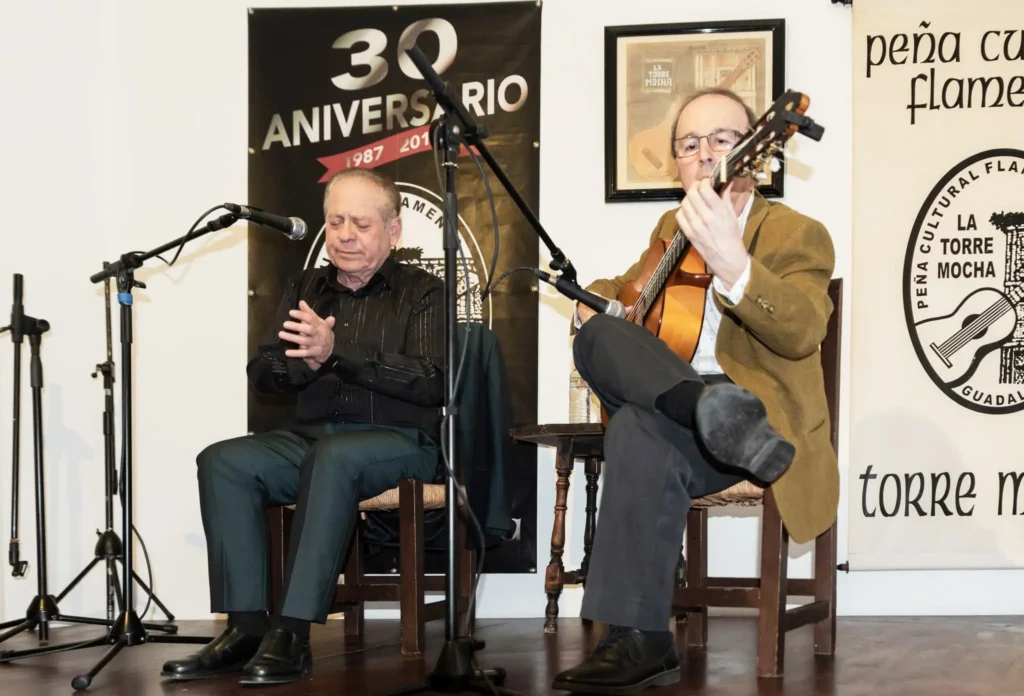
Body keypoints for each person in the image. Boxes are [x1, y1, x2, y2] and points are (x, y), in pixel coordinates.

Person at [552, 87, 837, 694]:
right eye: (689, 144)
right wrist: (598, 304)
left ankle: (640, 638)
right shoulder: (667, 227)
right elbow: (627, 285)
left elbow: (804, 329)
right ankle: (642, 639)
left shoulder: (797, 234)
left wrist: (736, 264)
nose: (705, 154)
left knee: (633, 421)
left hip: (757, 419)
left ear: (753, 155)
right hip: (687, 412)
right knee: (602, 345)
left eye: (722, 140)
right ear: (676, 163)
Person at [161, 168, 444, 686]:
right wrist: (302, 364)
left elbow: (432, 381)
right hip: (314, 439)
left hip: (402, 441)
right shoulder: (305, 287)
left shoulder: (425, 292)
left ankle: (291, 632)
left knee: (332, 459)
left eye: (360, 223)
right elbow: (261, 376)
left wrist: (341, 355)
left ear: (394, 230)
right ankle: (245, 627)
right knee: (223, 461)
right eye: (335, 221)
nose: (344, 235)